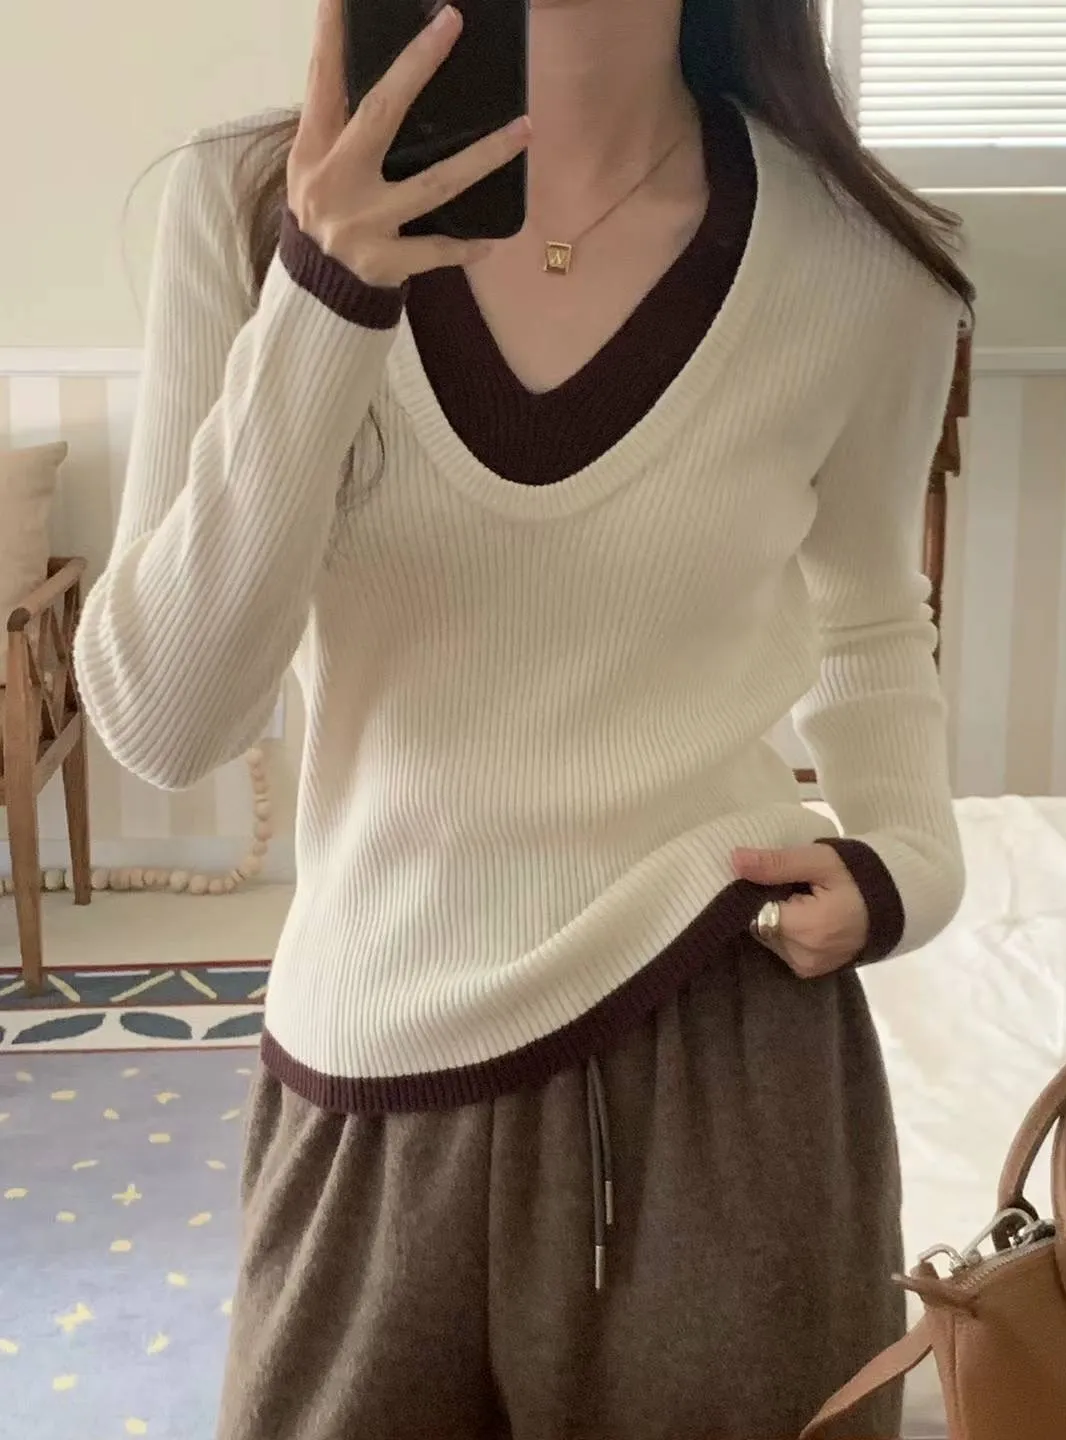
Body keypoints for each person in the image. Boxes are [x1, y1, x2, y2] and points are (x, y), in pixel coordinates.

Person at [74, 0, 974, 1435]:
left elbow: (870, 613)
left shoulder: (862, 263)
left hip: (727, 1047)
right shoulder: (246, 209)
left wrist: (909, 866)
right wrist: (327, 290)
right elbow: (167, 722)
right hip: (370, 1052)